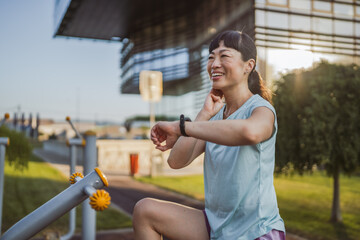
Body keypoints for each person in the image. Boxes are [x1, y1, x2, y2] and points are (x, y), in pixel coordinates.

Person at [132, 30, 286, 240]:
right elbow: (176, 161)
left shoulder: (261, 109)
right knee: (145, 211)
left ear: (248, 66)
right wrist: (204, 114)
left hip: (255, 231)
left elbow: (250, 132)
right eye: (211, 57)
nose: (214, 64)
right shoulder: (213, 119)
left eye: (224, 56)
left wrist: (181, 128)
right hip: (216, 226)